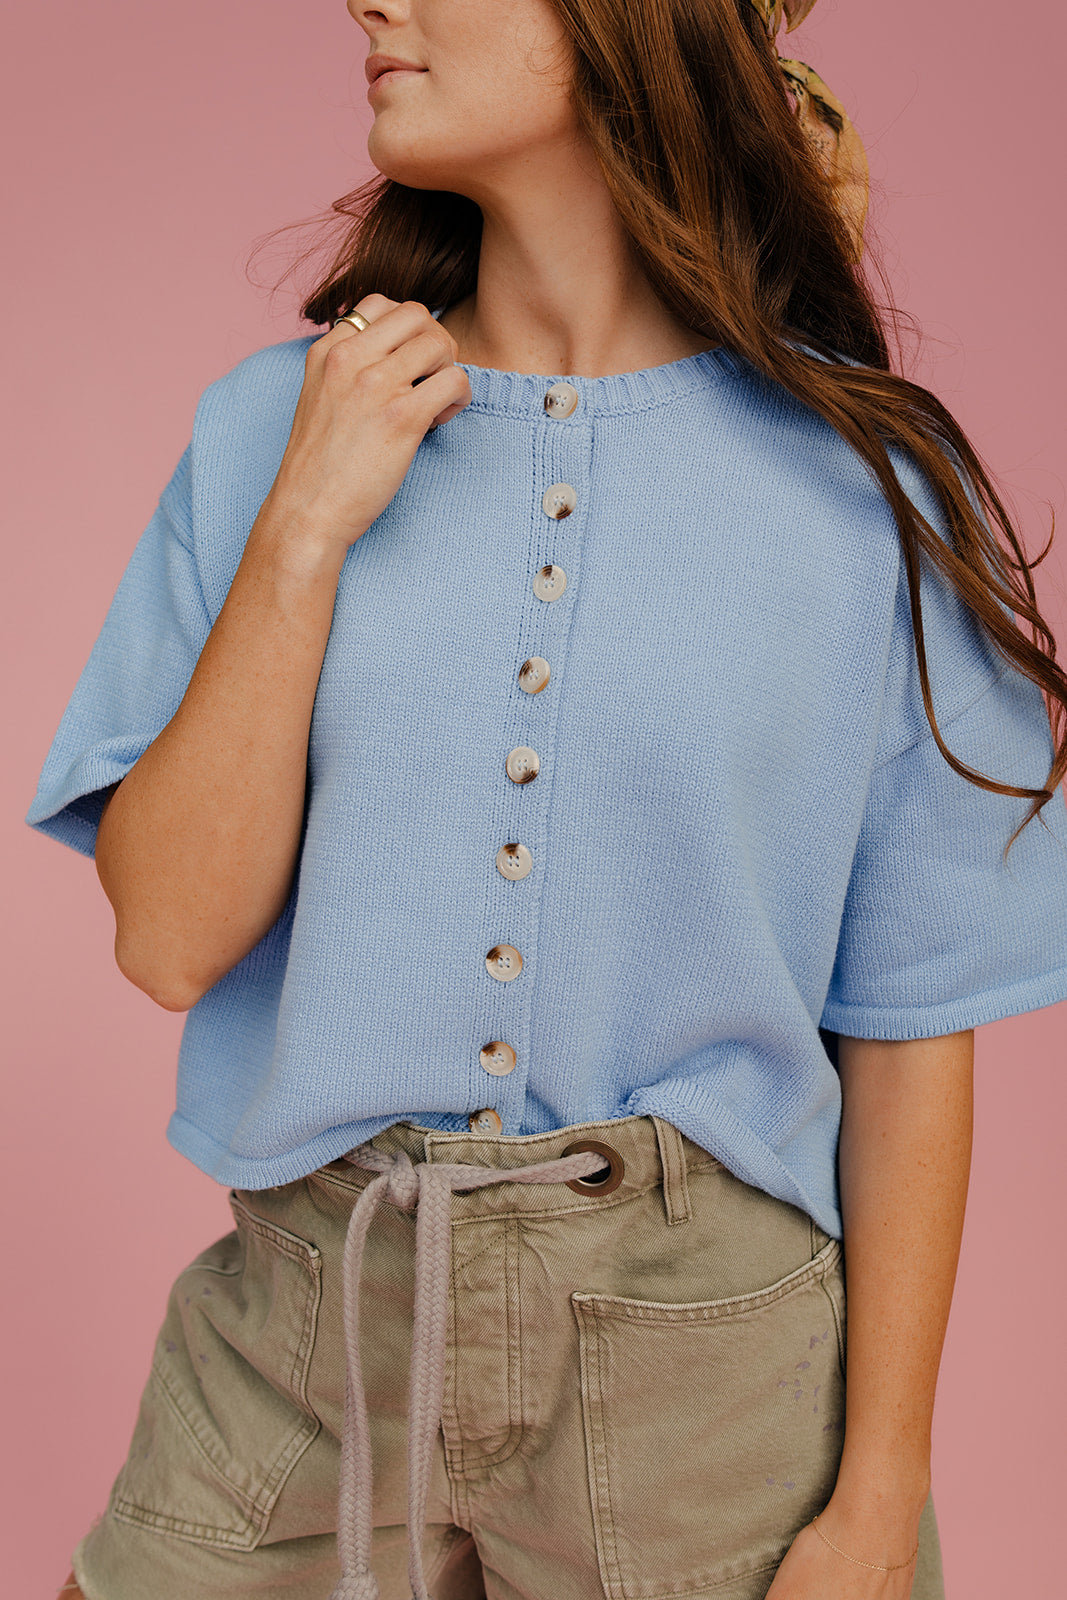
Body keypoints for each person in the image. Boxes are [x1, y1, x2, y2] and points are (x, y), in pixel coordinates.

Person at [31, 0, 1067, 1596]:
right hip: (303, 1343)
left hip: (707, 1378)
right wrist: (306, 527)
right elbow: (166, 935)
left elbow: (914, 1023)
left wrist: (878, 1500)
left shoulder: (865, 490)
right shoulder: (272, 429)